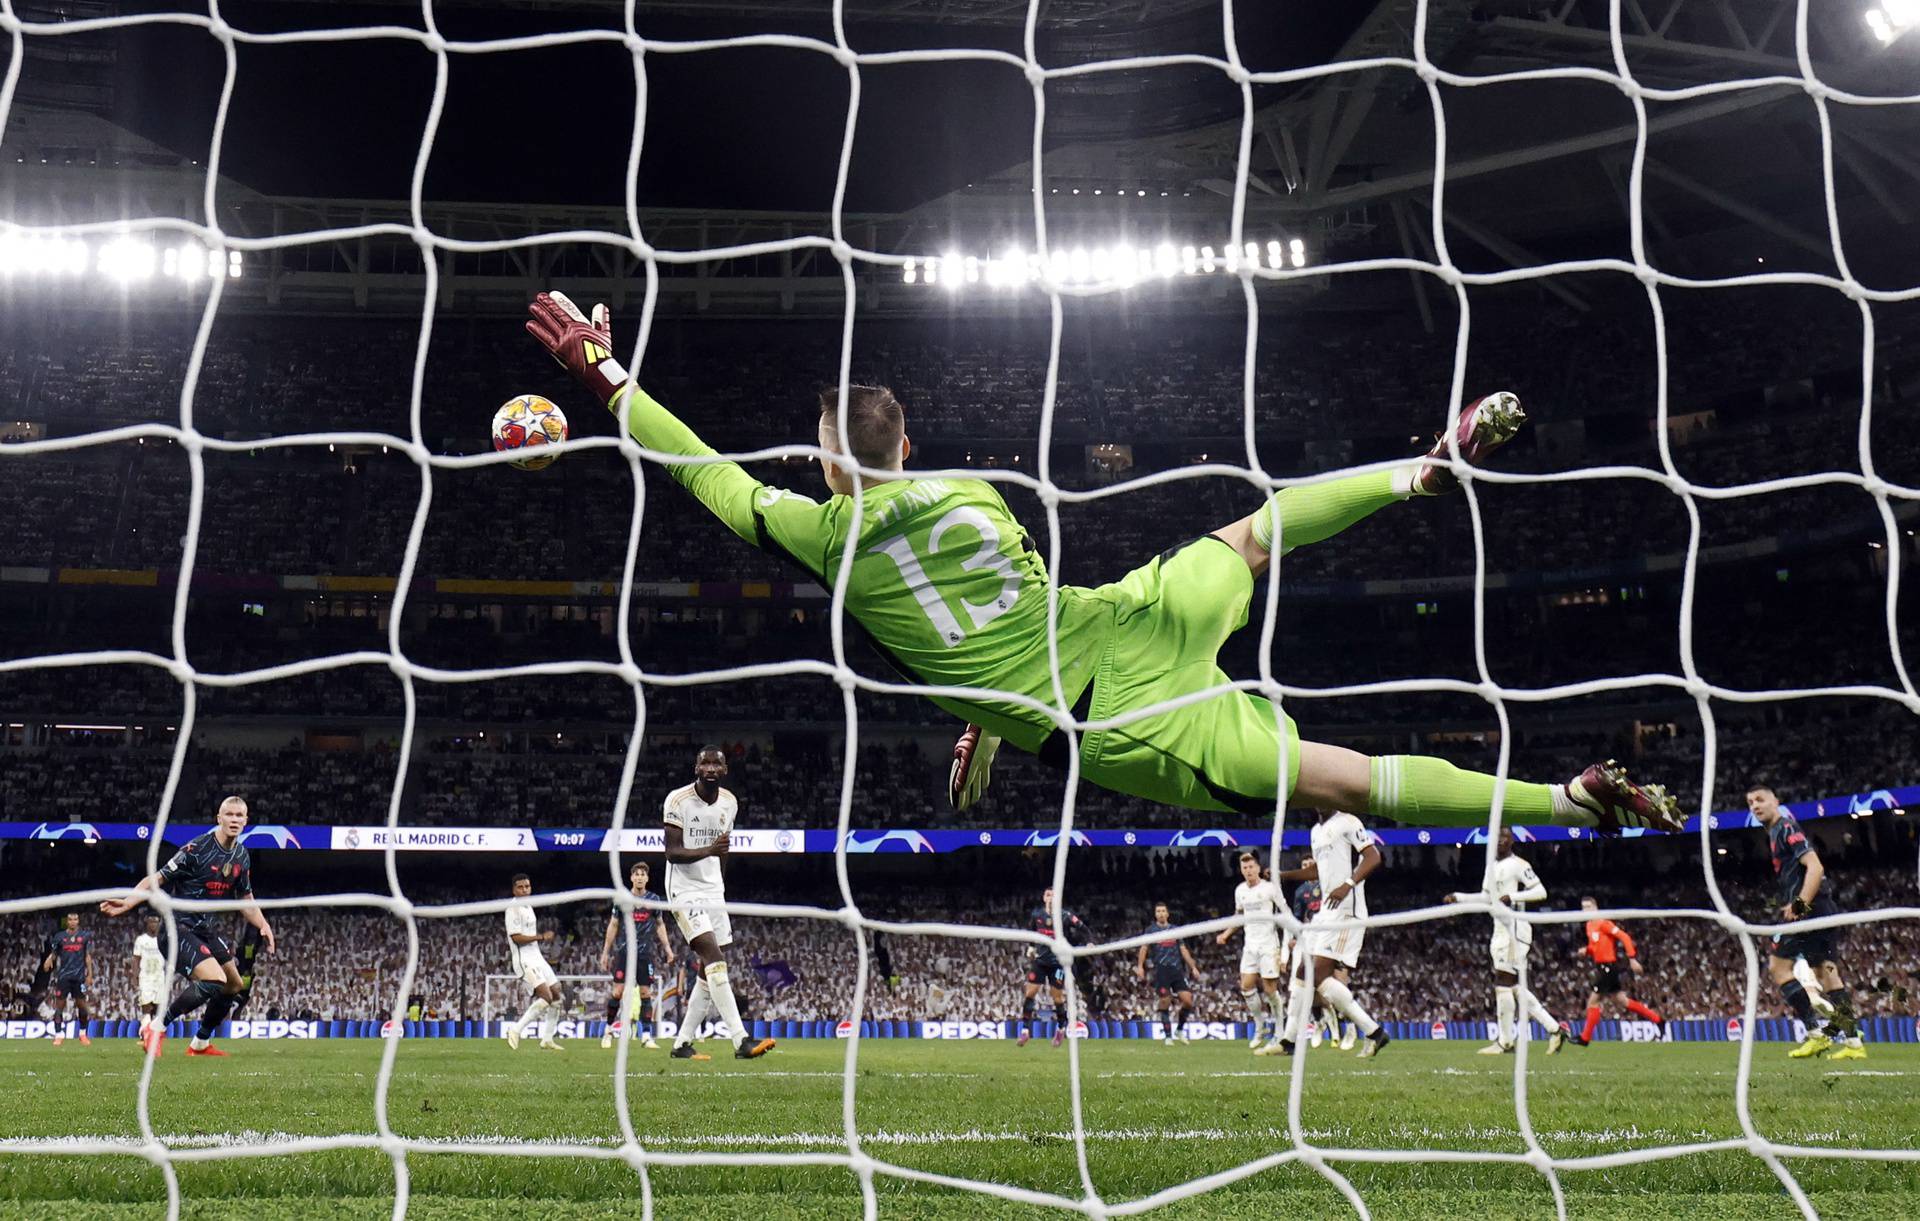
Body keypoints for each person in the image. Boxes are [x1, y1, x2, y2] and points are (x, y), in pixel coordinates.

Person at [525, 292, 1684, 839]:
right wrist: (988, 702)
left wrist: (609, 378)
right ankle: (1419, 470)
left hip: (1118, 717)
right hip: (1124, 615)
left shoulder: (820, 537)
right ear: (909, 444)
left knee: (1340, 779)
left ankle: (1567, 803)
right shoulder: (975, 491)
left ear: (828, 462)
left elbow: (701, 472)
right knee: (1257, 530)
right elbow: (993, 620)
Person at [100, 796, 276, 1058]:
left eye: (240, 816)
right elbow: (156, 878)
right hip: (177, 927)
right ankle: (156, 1028)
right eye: (230, 815)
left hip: (205, 930)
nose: (235, 820)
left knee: (233, 984)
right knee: (214, 979)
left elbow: (245, 899)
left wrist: (264, 924)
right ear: (219, 818)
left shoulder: (241, 855)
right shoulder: (196, 849)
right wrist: (128, 903)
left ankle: (200, 1044)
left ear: (246, 821)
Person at [664, 746, 776, 1062]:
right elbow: (672, 852)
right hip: (684, 890)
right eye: (705, 762)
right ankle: (741, 1040)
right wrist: (710, 850)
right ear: (696, 767)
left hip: (714, 890)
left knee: (707, 968)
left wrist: (720, 886)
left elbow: (723, 849)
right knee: (713, 956)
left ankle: (681, 1044)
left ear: (725, 769)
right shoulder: (678, 800)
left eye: (717, 763)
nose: (711, 767)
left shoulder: (730, 802)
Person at [1748, 786, 1865, 1061]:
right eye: (1750, 802)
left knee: (1778, 968)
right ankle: (1852, 1043)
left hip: (1809, 911)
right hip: (1820, 908)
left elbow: (1816, 867)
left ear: (1776, 801)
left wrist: (1799, 904)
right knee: (1826, 973)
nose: (1755, 806)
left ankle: (1815, 1034)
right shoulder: (1776, 832)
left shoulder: (1786, 828)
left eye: (1760, 800)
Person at [1276, 810, 1390, 1059]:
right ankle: (1288, 1041)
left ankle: (1373, 1032)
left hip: (1346, 912)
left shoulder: (1348, 822)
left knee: (1317, 975)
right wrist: (1282, 876)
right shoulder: (1316, 831)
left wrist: (1347, 885)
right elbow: (1316, 871)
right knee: (1303, 973)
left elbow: (1373, 857)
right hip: (1326, 913)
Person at [1444, 828, 1568, 1055]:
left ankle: (1505, 1041)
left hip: (1515, 927)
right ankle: (1553, 1029)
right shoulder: (1491, 867)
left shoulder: (1519, 865)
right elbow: (1486, 897)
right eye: (1497, 837)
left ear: (1511, 841)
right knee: (1512, 987)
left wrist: (1513, 896)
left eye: (1505, 837)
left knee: (1504, 982)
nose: (1500, 840)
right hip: (1499, 928)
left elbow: (1540, 891)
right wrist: (1459, 897)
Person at [600, 860, 675, 1049]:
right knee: (617, 992)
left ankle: (647, 1036)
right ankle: (608, 1031)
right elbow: (614, 924)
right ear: (631, 877)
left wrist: (667, 948)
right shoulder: (623, 898)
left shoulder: (653, 900)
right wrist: (605, 952)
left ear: (647, 878)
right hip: (624, 952)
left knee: (645, 993)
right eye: (637, 874)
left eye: (643, 874)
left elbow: (660, 925)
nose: (640, 877)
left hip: (644, 954)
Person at [1216, 852, 1287, 1053]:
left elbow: (1285, 913)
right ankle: (1260, 1026)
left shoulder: (1270, 889)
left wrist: (1287, 945)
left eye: (1251, 867)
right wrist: (1226, 934)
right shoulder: (1240, 891)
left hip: (1268, 945)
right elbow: (1239, 916)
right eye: (1244, 868)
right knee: (1246, 987)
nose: (1248, 870)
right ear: (1241, 870)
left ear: (1257, 868)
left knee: (1270, 990)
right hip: (1250, 946)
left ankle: (1279, 1032)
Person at [1574, 898, 1665, 1046]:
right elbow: (1595, 947)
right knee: (1622, 1001)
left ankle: (1585, 1038)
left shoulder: (1603, 923)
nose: (1586, 911)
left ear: (1596, 907)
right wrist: (1587, 950)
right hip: (1602, 967)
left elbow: (1624, 937)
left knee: (1593, 1001)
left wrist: (1632, 958)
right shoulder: (1589, 925)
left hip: (1608, 967)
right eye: (1583, 908)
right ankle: (1659, 1021)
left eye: (1589, 907)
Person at [1016, 887, 1087, 1048]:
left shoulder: (1066, 916)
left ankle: (1061, 1029)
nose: (1050, 898)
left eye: (1054, 896)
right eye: (1048, 895)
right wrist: (1031, 947)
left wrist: (1089, 942)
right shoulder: (1037, 915)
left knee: (1057, 997)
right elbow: (1031, 931)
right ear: (1044, 898)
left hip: (1057, 963)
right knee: (1030, 993)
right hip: (1040, 961)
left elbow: (1083, 929)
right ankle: (1025, 1031)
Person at [504, 873, 565, 1052]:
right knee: (546, 996)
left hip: (537, 956)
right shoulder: (512, 909)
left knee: (556, 993)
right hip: (524, 959)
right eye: (521, 887)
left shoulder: (528, 907)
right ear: (514, 889)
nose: (525, 890)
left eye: (527, 886)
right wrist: (541, 936)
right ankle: (515, 1030)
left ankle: (547, 1039)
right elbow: (516, 938)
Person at [1136, 902, 1204, 1045]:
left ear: (1167, 914)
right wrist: (1140, 967)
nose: (1161, 913)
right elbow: (1144, 948)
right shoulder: (1151, 930)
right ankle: (1167, 1036)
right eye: (1158, 911)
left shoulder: (1174, 930)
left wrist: (1193, 967)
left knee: (1187, 1001)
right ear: (1155, 914)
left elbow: (1183, 949)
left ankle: (1179, 1030)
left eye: (1163, 911)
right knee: (1165, 1001)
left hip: (1177, 970)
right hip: (1161, 971)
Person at [42, 913, 93, 1047]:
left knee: (82, 1006)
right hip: (63, 977)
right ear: (67, 921)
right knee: (59, 1006)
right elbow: (54, 953)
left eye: (75, 919)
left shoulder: (84, 936)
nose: (73, 922)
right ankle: (58, 1035)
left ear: (78, 921)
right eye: (70, 919)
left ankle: (82, 1034)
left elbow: (87, 956)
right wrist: (49, 960)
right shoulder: (59, 937)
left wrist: (90, 975)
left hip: (79, 977)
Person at [131, 915, 168, 1039]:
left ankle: (155, 1034)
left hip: (159, 976)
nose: (153, 924)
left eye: (155, 922)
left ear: (159, 924)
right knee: (146, 1005)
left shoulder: (163, 939)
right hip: (145, 976)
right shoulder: (141, 940)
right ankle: (145, 1033)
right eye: (151, 921)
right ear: (147, 923)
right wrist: (134, 976)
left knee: (159, 1006)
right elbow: (136, 959)